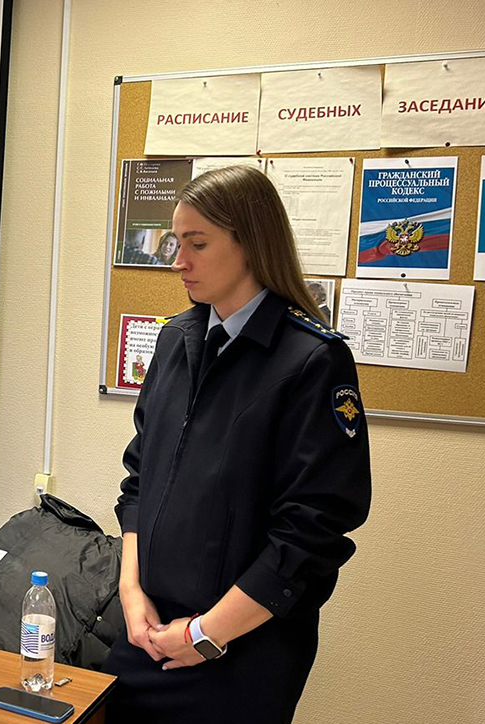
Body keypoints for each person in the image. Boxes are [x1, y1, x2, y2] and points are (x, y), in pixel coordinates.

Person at [106, 166, 371, 723]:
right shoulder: (175, 339)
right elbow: (139, 483)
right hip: (147, 630)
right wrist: (131, 594)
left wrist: (205, 634)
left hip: (240, 649)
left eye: (197, 244)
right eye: (176, 242)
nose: (178, 261)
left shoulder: (311, 361)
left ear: (250, 242)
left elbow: (311, 533)